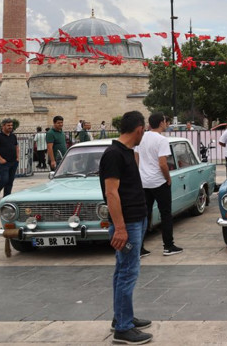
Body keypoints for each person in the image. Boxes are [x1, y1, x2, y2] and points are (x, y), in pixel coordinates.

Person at [99, 110, 152, 345]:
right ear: (139, 129)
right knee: (128, 272)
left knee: (123, 270)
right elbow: (111, 193)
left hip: (135, 219)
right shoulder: (113, 154)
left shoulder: (127, 152)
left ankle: (122, 316)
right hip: (127, 224)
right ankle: (123, 328)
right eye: (144, 131)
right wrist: (120, 228)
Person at [135, 112, 182, 258]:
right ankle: (168, 246)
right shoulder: (162, 140)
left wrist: (140, 175)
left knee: (144, 215)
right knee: (165, 214)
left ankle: (140, 248)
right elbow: (162, 163)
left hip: (144, 182)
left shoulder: (142, 137)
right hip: (158, 181)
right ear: (162, 123)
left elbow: (136, 158)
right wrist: (168, 178)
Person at [0, 118, 19, 205]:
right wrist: (0, 159)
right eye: (8, 125)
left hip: (13, 162)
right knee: (4, 180)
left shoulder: (13, 136)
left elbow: (16, 147)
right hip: (3, 163)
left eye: (11, 125)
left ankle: (6, 199)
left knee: (10, 181)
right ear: (3, 126)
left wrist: (17, 158)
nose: (10, 127)